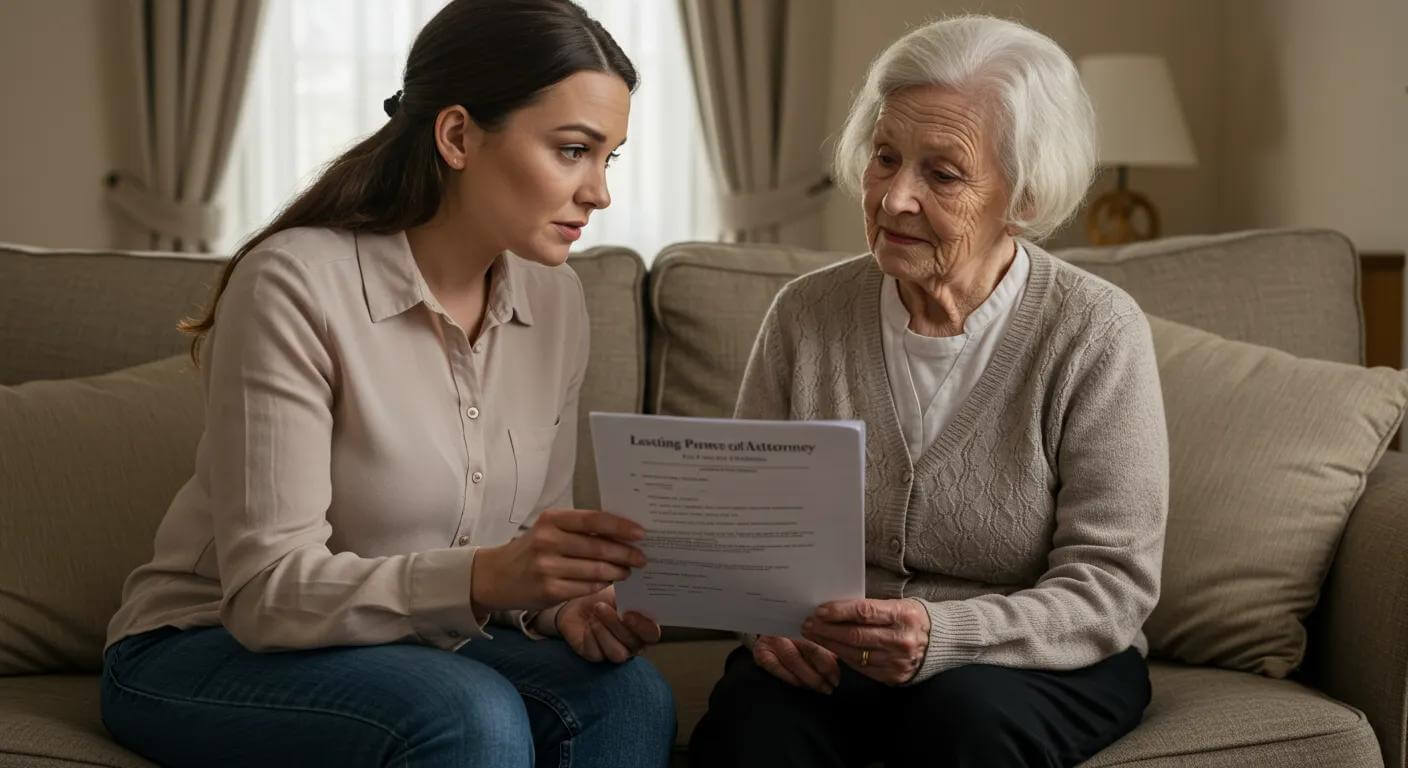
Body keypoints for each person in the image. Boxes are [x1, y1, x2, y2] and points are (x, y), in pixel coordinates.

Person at [100, 2, 674, 766]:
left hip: (419, 649)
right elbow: (267, 594)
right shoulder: (296, 283)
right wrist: (485, 577)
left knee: (629, 696)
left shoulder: (557, 300)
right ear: (458, 135)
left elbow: (531, 534)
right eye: (573, 150)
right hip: (207, 644)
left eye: (611, 159)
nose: (598, 192)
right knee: (468, 713)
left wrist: (565, 605)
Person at [690, 15, 1168, 768]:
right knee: (751, 727)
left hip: (1033, 658)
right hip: (838, 655)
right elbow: (750, 535)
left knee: (965, 718)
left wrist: (945, 637)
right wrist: (765, 622)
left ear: (1027, 198)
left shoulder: (1096, 332)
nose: (894, 198)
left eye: (942, 174)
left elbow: (1112, 585)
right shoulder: (806, 315)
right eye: (885, 158)